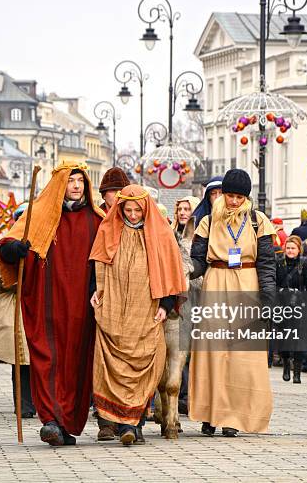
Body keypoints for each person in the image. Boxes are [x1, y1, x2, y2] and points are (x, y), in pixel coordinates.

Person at [0, 161, 104, 446]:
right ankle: (50, 420)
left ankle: (67, 422)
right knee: (47, 358)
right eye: (71, 181)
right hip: (47, 301)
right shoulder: (39, 215)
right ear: (60, 185)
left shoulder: (97, 219)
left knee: (77, 362)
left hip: (82, 304)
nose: (77, 186)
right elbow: (8, 242)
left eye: (81, 180)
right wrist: (13, 249)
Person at [89, 185, 186, 445]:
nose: (132, 215)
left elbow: (171, 273)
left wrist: (166, 305)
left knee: (144, 364)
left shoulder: (161, 233)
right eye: (127, 210)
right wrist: (95, 291)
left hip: (147, 309)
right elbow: (97, 262)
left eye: (137, 210)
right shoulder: (108, 229)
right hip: (115, 307)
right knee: (115, 363)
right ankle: (121, 424)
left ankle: (137, 424)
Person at [189, 169, 276, 437]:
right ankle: (211, 414)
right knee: (213, 353)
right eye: (230, 195)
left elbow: (267, 263)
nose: (234, 201)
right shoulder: (207, 221)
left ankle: (235, 417)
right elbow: (198, 261)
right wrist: (182, 271)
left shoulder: (258, 221)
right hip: (216, 281)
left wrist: (268, 298)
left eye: (239, 196)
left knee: (243, 355)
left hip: (247, 284)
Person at [0, 264, 35, 417]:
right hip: (16, 312)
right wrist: (20, 281)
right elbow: (0, 282)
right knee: (21, 362)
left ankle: (42, 404)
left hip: (36, 310)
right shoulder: (6, 253)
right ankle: (24, 405)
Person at [275, 235, 307, 384]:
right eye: (288, 248)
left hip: (299, 307)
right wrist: (282, 292)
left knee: (298, 339)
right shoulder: (278, 263)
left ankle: (297, 372)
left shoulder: (304, 265)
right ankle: (286, 364)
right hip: (282, 305)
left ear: (299, 250)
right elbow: (274, 284)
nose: (290, 251)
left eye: (293, 248)